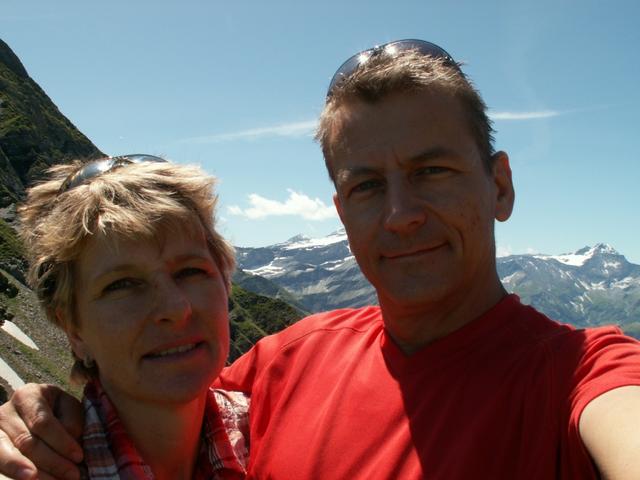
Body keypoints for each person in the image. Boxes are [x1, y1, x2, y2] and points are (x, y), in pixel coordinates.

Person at [1, 39, 640, 479]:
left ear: (499, 186)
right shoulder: (282, 367)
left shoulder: (583, 374)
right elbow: (145, 402)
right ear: (341, 212)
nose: (401, 214)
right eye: (367, 186)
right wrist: (38, 421)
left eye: (433, 171)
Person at [5, 156, 248, 479]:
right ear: (73, 329)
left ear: (225, 283)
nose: (175, 308)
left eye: (191, 271)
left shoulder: (276, 429)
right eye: (122, 285)